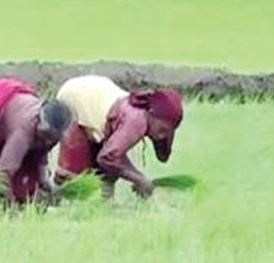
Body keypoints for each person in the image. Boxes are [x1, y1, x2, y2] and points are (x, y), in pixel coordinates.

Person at [53, 75, 185, 199]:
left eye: (168, 133)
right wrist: (139, 179)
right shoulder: (136, 120)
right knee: (73, 172)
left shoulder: (148, 116)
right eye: (162, 130)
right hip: (76, 99)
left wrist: (137, 177)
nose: (162, 135)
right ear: (151, 114)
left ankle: (103, 204)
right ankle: (52, 199)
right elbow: (107, 158)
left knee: (107, 170)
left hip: (95, 97)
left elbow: (115, 157)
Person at [0, 78, 75, 204]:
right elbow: (3, 175)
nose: (48, 142)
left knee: (28, 185)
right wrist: (9, 204)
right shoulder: (23, 130)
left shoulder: (50, 135)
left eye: (53, 139)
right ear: (37, 122)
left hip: (15, 107)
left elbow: (41, 157)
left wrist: (44, 183)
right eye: (46, 136)